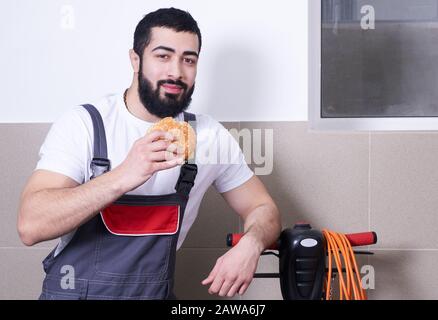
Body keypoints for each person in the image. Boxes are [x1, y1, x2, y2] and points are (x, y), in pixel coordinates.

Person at [17, 7, 281, 300]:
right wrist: (124, 176)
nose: (176, 72)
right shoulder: (85, 125)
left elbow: (263, 209)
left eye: (188, 60)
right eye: (163, 56)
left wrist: (251, 244)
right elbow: (30, 226)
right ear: (135, 59)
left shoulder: (209, 137)